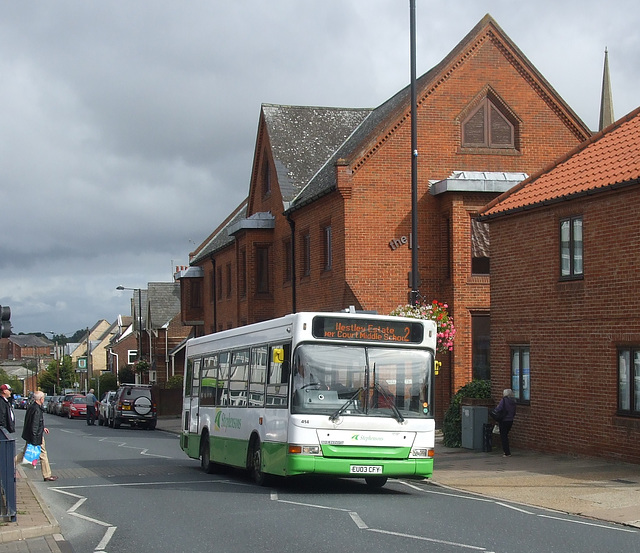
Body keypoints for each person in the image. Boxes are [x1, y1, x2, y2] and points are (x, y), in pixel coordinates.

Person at [16, 390, 58, 481]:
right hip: (36, 436)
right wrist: (35, 439)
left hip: (32, 434)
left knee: (26, 453)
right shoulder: (37, 410)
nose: (43, 399)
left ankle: (8, 464)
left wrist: (42, 427)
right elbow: (34, 425)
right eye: (43, 398)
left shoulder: (33, 407)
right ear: (41, 399)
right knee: (43, 454)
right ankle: (47, 475)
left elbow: (33, 422)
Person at [493, 388, 517, 457]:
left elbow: (498, 409)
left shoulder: (503, 400)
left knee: (503, 436)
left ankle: (507, 452)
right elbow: (514, 412)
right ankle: (507, 451)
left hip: (503, 420)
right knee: (506, 435)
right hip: (510, 420)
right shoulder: (513, 401)